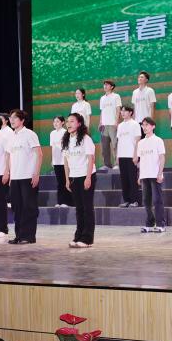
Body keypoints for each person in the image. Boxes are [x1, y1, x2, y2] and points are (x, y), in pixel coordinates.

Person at [4, 109, 42, 245]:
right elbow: (9, 156)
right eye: (10, 118)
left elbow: (39, 154)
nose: (12, 120)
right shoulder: (11, 137)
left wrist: (36, 173)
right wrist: (8, 173)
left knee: (29, 207)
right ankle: (19, 235)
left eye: (15, 118)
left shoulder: (30, 134)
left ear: (22, 120)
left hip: (28, 176)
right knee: (17, 207)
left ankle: (28, 236)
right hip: (15, 178)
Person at [63, 113, 97, 248]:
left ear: (79, 123)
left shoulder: (85, 139)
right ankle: (78, 236)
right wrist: (67, 179)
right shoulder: (66, 139)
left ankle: (87, 238)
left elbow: (91, 159)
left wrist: (88, 178)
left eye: (72, 121)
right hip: (74, 177)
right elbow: (66, 161)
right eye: (68, 121)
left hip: (86, 175)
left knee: (87, 208)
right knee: (79, 208)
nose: (69, 124)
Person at [134, 117, 167, 232]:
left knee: (157, 200)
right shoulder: (141, 143)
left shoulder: (158, 140)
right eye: (143, 125)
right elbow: (140, 161)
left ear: (153, 126)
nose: (144, 127)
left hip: (155, 174)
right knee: (146, 201)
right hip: (144, 175)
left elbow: (162, 158)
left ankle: (161, 224)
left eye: (147, 125)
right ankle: (149, 223)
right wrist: (139, 176)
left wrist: (160, 173)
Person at [115, 105, 142, 207]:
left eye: (124, 111)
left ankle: (135, 201)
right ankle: (126, 200)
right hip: (122, 155)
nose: (122, 113)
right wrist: (117, 156)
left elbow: (138, 140)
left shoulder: (135, 124)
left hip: (131, 155)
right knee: (124, 179)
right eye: (121, 111)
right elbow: (119, 141)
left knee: (132, 178)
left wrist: (136, 155)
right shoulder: (120, 126)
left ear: (130, 112)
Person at [48, 116, 71, 207]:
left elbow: (67, 148)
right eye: (54, 122)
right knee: (59, 182)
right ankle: (60, 201)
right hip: (56, 161)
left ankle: (67, 202)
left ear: (62, 122)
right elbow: (53, 147)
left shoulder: (65, 132)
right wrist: (52, 159)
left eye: (57, 121)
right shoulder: (52, 133)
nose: (55, 123)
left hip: (64, 161)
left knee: (65, 181)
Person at [98, 81, 122, 170]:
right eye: (104, 85)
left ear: (112, 87)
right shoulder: (102, 98)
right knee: (104, 146)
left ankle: (117, 164)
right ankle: (107, 164)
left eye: (107, 85)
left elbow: (118, 109)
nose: (105, 86)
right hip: (104, 125)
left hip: (112, 124)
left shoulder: (116, 96)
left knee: (115, 144)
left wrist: (116, 122)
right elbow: (102, 111)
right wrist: (100, 122)